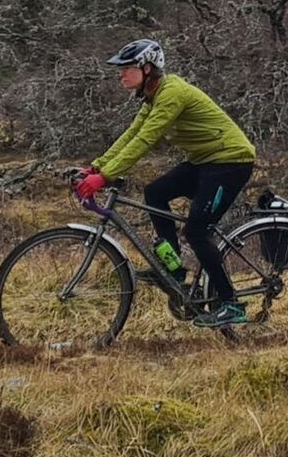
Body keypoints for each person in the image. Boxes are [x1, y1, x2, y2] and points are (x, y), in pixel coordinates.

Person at [71, 39, 258, 328]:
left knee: (197, 231)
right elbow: (133, 133)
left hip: (230, 161)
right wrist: (97, 166)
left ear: (147, 68)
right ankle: (173, 269)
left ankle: (231, 304)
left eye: (127, 69)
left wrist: (105, 177)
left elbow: (147, 139)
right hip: (205, 160)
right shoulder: (151, 95)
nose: (121, 75)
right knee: (155, 192)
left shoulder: (172, 92)